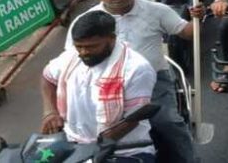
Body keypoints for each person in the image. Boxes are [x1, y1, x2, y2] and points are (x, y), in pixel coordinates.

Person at [68, 0, 202, 163]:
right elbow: (69, 60)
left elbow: (188, 33)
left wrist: (197, 17)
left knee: (168, 123)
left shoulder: (157, 10)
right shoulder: (84, 21)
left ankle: (189, 159)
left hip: (154, 81)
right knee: (83, 131)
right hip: (102, 85)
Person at [41, 12, 157, 162]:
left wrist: (94, 147)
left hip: (123, 151)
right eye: (79, 47)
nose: (84, 53)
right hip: (75, 146)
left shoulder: (136, 68)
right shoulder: (70, 57)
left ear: (112, 39)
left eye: (91, 47)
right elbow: (47, 78)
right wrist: (50, 112)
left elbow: (132, 120)